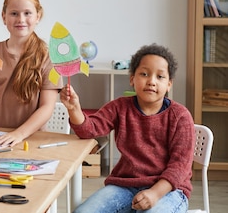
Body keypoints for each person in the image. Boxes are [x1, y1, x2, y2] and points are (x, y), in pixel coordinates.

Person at [60, 43, 195, 213]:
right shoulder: (119, 107)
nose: (151, 81)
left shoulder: (180, 116)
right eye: (144, 74)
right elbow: (89, 130)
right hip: (125, 186)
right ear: (132, 79)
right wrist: (74, 109)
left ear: (169, 84)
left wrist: (154, 193)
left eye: (160, 77)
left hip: (168, 191)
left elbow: (180, 166)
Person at [0, 0, 61, 147]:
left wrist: (19, 134)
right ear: (4, 17)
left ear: (38, 16)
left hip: (31, 139)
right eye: (14, 13)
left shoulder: (48, 57)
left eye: (27, 13)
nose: (20, 19)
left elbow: (47, 106)